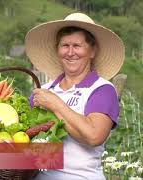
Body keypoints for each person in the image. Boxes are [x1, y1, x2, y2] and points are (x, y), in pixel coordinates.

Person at [25, 13, 124, 179]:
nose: (70, 52)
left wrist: (55, 104)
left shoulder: (102, 90)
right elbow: (26, 141)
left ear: (92, 51)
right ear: (58, 50)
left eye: (77, 45)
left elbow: (94, 136)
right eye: (65, 45)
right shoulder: (45, 90)